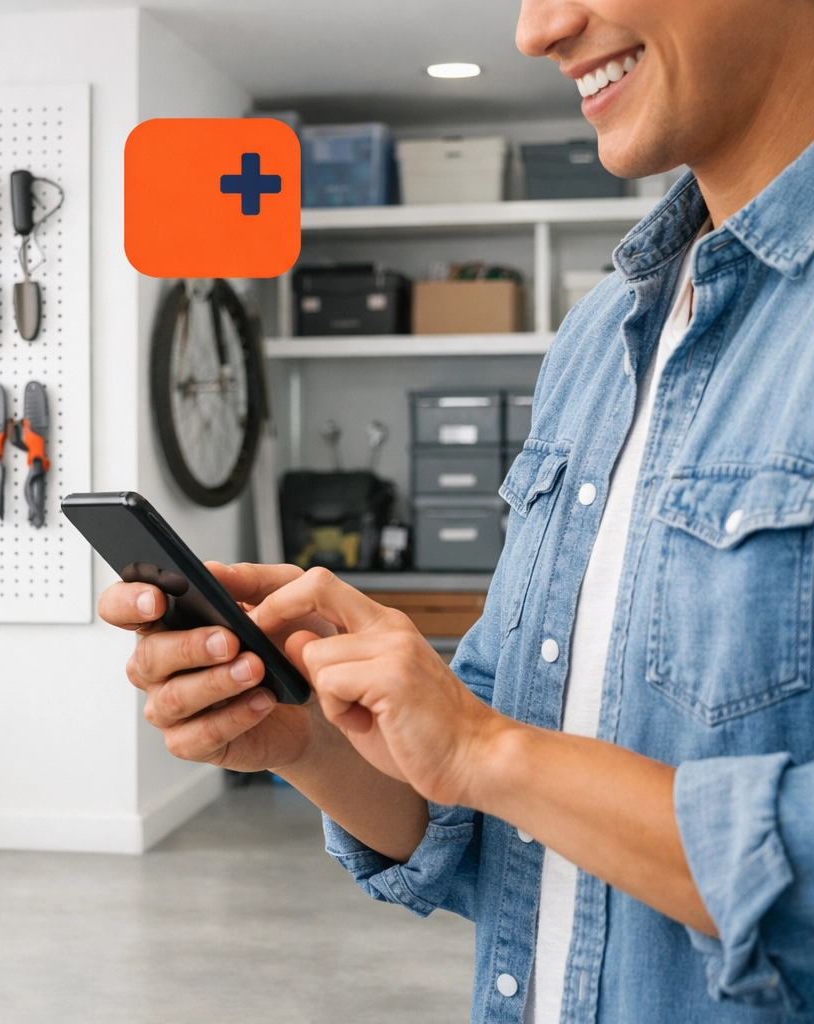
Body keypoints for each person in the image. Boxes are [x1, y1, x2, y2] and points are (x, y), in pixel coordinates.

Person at [100, 1, 814, 1020]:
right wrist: (304, 735)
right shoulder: (601, 333)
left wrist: (490, 748)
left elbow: (497, 759)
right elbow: (493, 825)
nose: (537, 28)